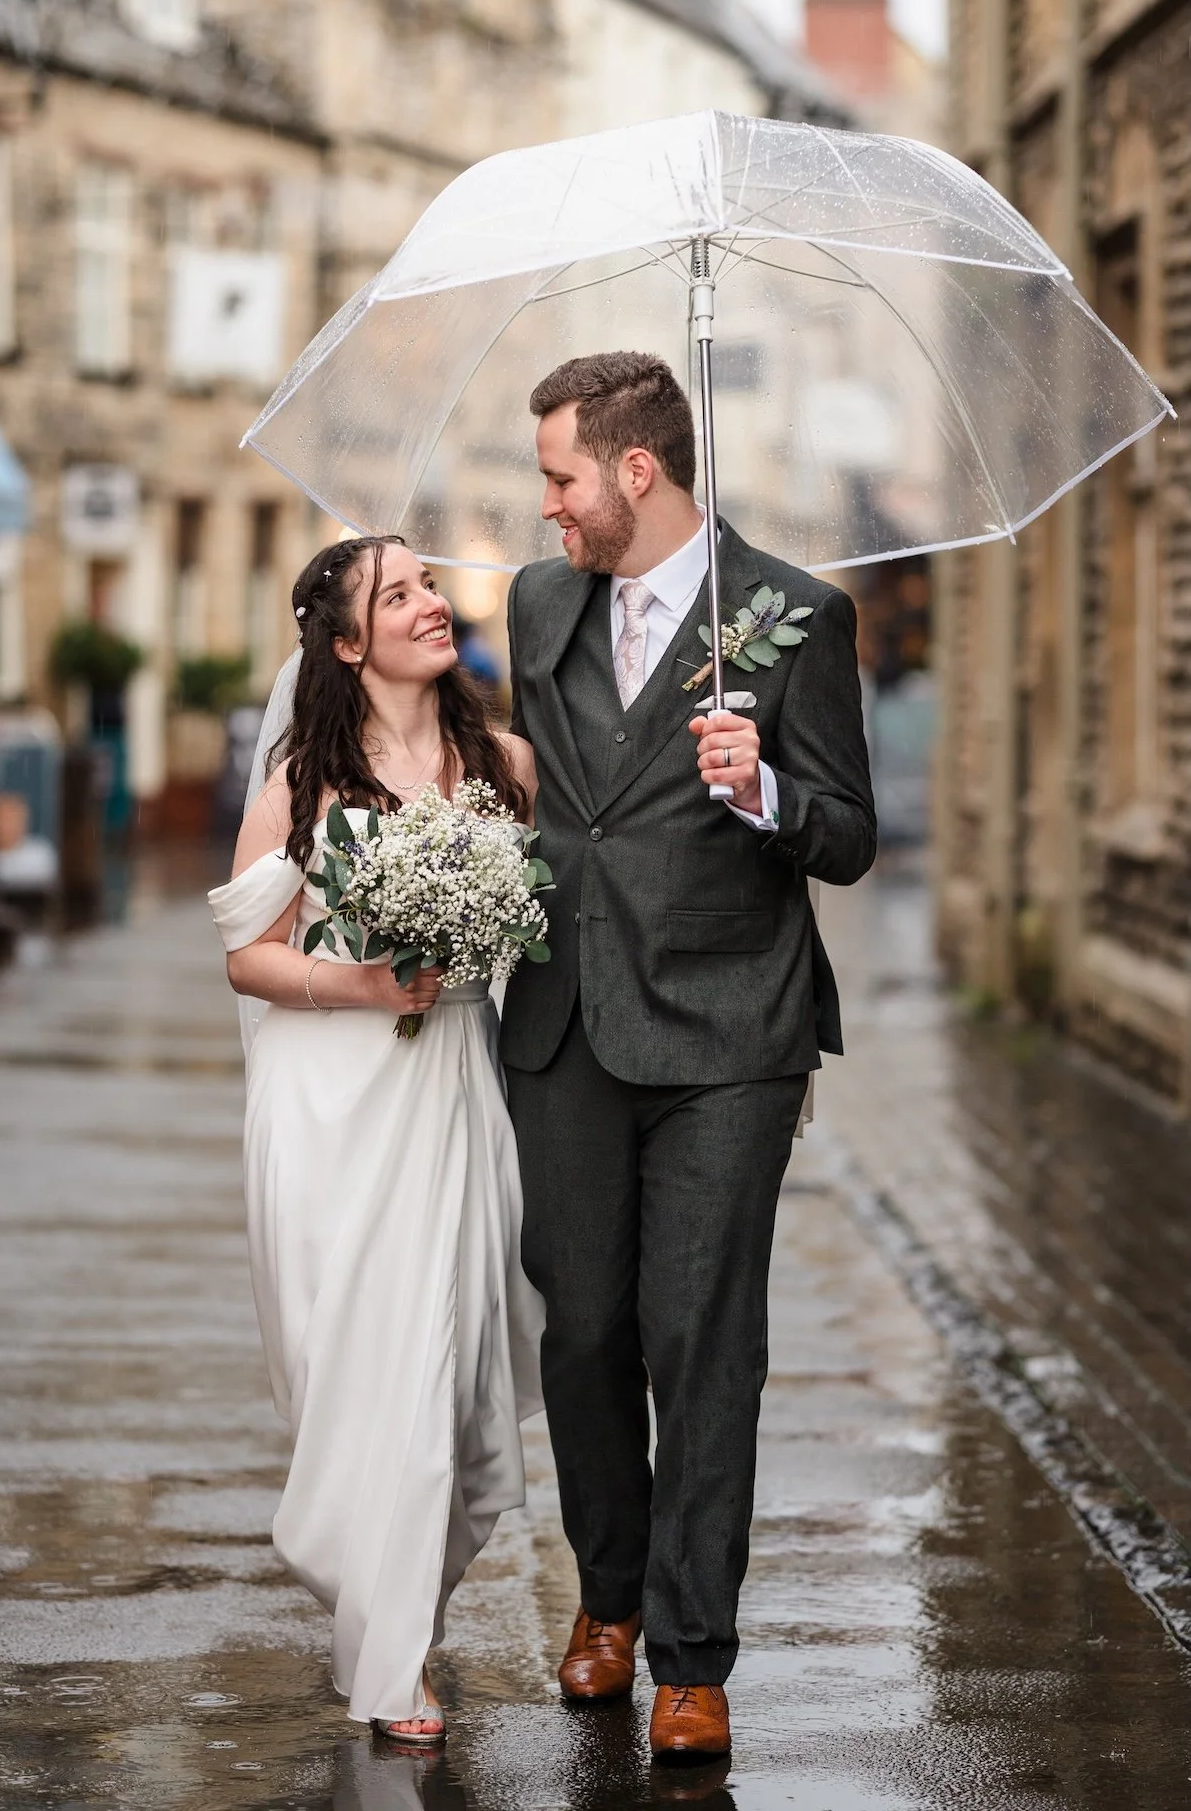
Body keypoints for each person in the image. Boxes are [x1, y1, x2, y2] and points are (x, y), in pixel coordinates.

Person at [501, 352, 876, 1762]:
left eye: (559, 478)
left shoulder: (793, 616)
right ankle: (603, 1596)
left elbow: (847, 833)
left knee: (699, 1334)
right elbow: (534, 785)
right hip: (563, 1022)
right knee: (585, 1324)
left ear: (634, 472)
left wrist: (762, 786)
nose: (545, 507)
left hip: (730, 1030)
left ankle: (691, 1650)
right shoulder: (541, 605)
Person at [207, 535, 543, 1743]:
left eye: (426, 584)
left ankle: (399, 1640)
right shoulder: (303, 782)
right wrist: (369, 984)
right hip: (326, 1101)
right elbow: (247, 955)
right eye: (397, 593)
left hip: (453, 1090)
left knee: (447, 1372)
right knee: (359, 1373)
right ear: (347, 643)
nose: (430, 603)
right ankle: (388, 1643)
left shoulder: (502, 764)